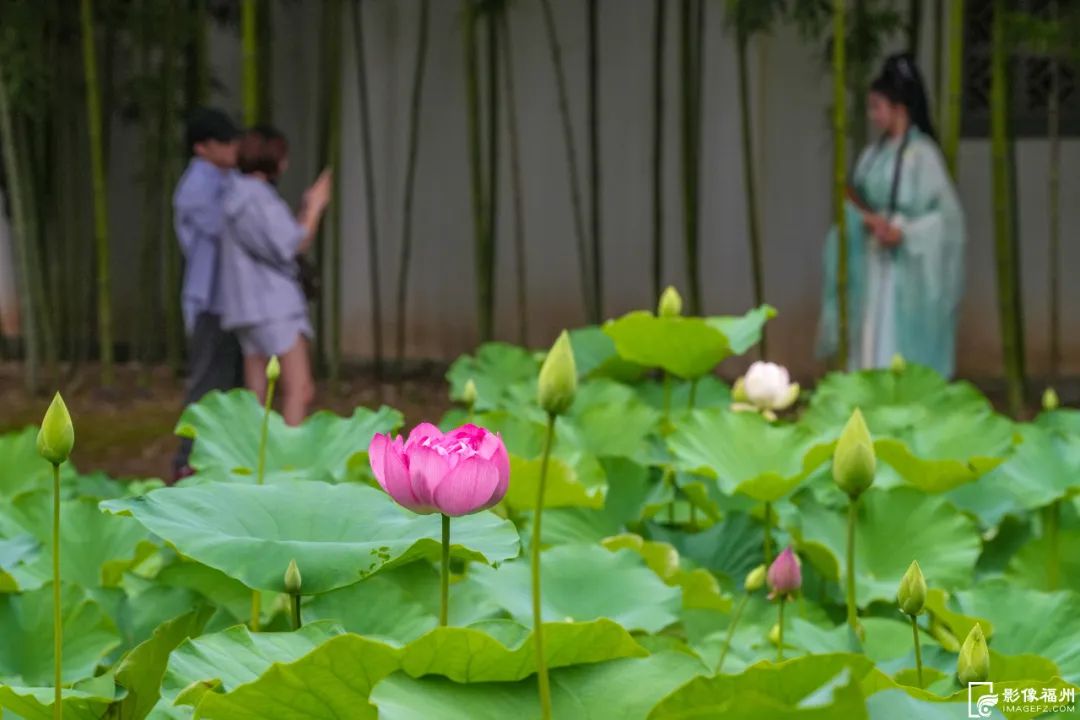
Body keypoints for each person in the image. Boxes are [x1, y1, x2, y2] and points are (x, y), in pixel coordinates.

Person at [817, 52, 965, 378]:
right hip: (872, 263)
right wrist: (864, 219)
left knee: (894, 340)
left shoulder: (923, 155)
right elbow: (854, 200)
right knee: (869, 337)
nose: (873, 115)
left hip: (906, 270)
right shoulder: (872, 156)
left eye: (877, 107)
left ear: (900, 108)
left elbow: (947, 222)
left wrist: (906, 233)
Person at [219, 125, 332, 425]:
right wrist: (315, 208)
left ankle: (256, 462)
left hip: (244, 307)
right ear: (273, 159)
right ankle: (286, 464)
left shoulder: (234, 196)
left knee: (257, 394)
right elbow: (291, 244)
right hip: (275, 307)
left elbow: (270, 243)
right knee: (299, 389)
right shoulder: (259, 198)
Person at [173, 107, 243, 480]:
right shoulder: (198, 185)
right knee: (205, 384)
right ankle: (185, 463)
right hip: (210, 302)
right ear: (202, 147)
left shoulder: (227, 177)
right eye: (225, 141)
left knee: (232, 385)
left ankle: (217, 464)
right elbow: (229, 226)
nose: (234, 148)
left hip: (229, 301)